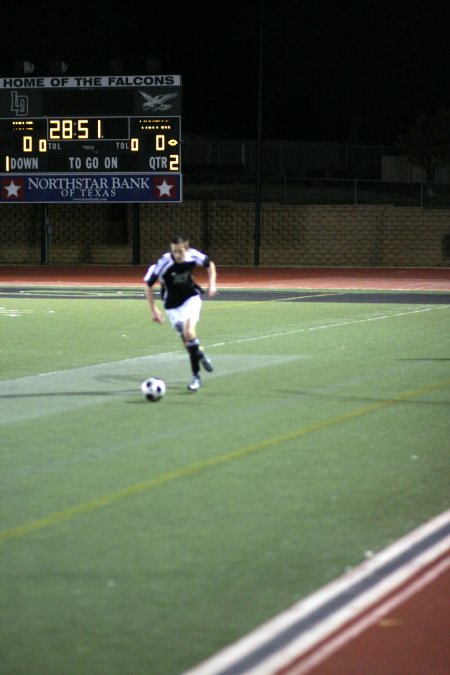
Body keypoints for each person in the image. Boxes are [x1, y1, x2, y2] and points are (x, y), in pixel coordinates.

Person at [144, 235, 217, 391]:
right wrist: (153, 309)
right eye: (174, 251)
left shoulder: (193, 256)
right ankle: (199, 354)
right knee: (186, 342)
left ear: (186, 249)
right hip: (172, 306)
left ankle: (196, 377)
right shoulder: (164, 263)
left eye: (180, 251)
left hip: (191, 298)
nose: (178, 254)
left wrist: (212, 284)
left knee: (189, 332)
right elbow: (148, 284)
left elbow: (209, 264)